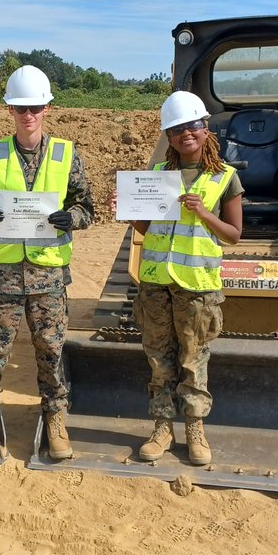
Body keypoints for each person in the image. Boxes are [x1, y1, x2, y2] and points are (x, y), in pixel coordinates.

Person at [0, 65, 94, 460]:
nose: (28, 115)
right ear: (10, 111)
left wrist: (70, 218)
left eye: (35, 107)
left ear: (47, 108)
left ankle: (55, 417)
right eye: (21, 108)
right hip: (3, 275)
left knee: (50, 350)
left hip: (49, 274)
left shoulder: (67, 154)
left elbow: (86, 209)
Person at [107, 90, 243, 466]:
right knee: (158, 358)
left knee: (193, 359)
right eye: (178, 129)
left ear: (205, 129)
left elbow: (233, 234)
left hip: (197, 288)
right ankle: (162, 426)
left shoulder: (224, 178)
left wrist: (203, 213)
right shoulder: (155, 176)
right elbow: (147, 228)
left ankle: (195, 428)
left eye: (193, 126)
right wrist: (128, 212)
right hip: (154, 283)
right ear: (169, 136)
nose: (187, 133)